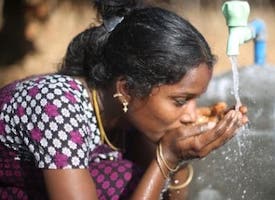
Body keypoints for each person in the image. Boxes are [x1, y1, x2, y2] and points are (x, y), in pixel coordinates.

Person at [0, 1, 248, 199]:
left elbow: (167, 195)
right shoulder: (56, 105)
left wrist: (179, 158)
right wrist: (168, 156)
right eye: (181, 100)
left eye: (196, 100)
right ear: (127, 88)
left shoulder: (128, 116)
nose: (191, 115)